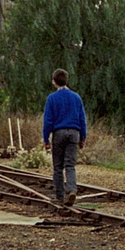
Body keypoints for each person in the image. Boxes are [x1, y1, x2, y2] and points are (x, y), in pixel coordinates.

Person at [41, 68, 87, 206]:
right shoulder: (76, 97)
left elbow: (48, 120)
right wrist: (83, 137)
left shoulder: (52, 98)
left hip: (59, 133)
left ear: (54, 82)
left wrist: (46, 139)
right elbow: (82, 119)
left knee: (58, 166)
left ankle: (60, 196)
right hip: (74, 133)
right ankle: (72, 190)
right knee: (70, 165)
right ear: (67, 81)